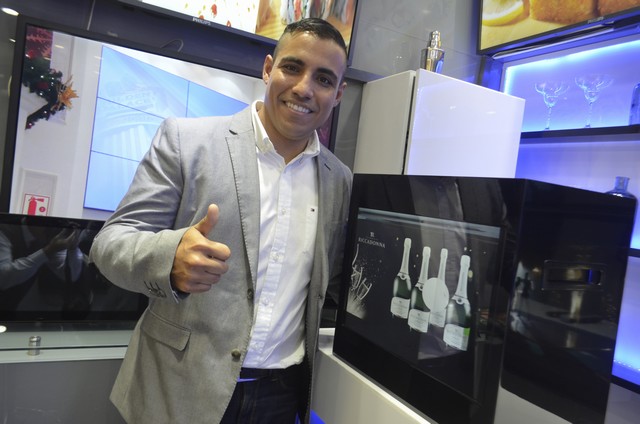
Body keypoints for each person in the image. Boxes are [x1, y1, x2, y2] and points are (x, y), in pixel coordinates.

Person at [89, 17, 352, 424]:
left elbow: (330, 282)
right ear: (268, 69)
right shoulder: (186, 140)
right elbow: (110, 244)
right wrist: (170, 258)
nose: (304, 88)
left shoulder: (339, 180)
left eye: (323, 79)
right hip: (179, 386)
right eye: (292, 67)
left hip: (280, 396)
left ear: (337, 94)